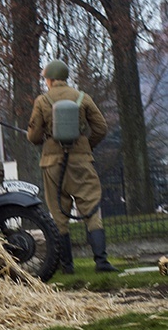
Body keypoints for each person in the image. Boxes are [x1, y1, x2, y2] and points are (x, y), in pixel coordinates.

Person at [27, 60, 118, 274]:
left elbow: (33, 136)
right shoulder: (82, 98)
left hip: (52, 164)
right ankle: (101, 262)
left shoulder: (42, 101)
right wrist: (86, 146)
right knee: (91, 210)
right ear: (65, 77)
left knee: (59, 215)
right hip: (81, 162)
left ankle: (67, 267)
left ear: (49, 79)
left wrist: (44, 138)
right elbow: (101, 128)